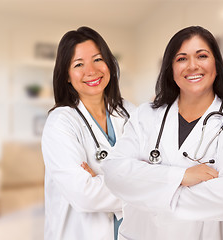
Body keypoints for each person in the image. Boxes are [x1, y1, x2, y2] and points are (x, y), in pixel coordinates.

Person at [101, 26, 223, 240]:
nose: (192, 66)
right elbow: (114, 173)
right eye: (182, 59)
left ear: (216, 64)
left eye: (202, 56)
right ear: (171, 69)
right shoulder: (145, 116)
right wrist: (181, 176)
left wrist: (146, 186)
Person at [41, 26, 135, 240]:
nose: (91, 71)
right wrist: (145, 185)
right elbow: (85, 195)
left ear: (109, 63)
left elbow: (157, 166)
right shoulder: (60, 122)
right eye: (79, 64)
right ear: (66, 75)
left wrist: (100, 179)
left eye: (98, 59)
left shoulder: (130, 112)